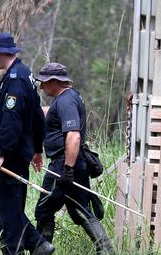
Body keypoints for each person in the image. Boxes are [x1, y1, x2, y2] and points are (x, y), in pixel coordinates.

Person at [0, 32, 55, 255]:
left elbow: (12, 120)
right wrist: (37, 150)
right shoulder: (24, 75)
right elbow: (36, 117)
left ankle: (33, 245)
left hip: (12, 154)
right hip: (21, 151)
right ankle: (35, 243)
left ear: (1, 52)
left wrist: (0, 153)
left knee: (8, 205)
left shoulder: (15, 80)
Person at [34, 62, 115, 255]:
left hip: (63, 165)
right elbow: (53, 114)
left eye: (44, 83)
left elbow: (73, 135)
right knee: (80, 209)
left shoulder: (66, 101)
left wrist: (67, 170)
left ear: (54, 82)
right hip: (73, 163)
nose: (41, 87)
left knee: (44, 210)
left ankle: (42, 250)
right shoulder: (69, 97)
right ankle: (106, 251)